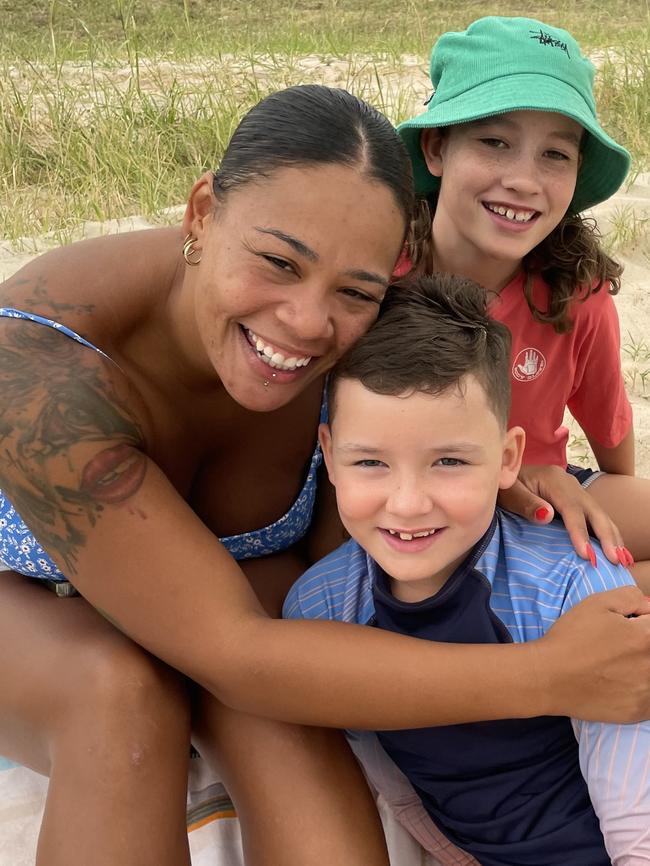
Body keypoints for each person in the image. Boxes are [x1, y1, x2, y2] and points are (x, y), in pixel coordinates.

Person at [0, 84, 649, 866]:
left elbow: (441, 427)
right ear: (202, 212)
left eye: (354, 291)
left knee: (308, 752)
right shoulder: (35, 371)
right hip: (42, 598)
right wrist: (552, 676)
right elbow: (236, 654)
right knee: (118, 697)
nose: (307, 322)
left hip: (253, 587)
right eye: (277, 262)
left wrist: (529, 474)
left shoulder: (363, 319)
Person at [284, 272, 650, 865]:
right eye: (370, 462)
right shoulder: (319, 609)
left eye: (448, 461)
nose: (407, 503)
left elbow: (638, 821)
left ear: (508, 459)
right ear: (328, 454)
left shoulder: (574, 587)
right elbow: (391, 778)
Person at [395, 15, 650, 591]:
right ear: (436, 148)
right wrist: (503, 483)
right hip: (414, 507)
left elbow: (611, 429)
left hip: (547, 490)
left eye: (555, 155)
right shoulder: (384, 274)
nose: (523, 180)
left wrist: (608, 524)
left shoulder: (573, 289)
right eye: (494, 142)